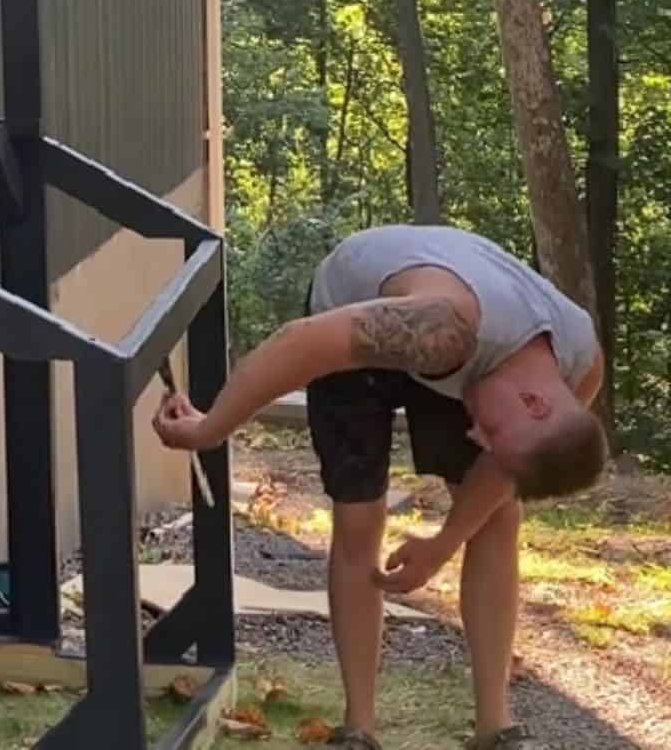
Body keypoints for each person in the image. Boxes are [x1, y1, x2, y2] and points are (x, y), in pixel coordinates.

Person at [153, 224, 606, 750]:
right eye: (493, 432)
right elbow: (297, 344)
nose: (475, 435)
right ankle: (359, 729)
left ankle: (496, 730)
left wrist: (442, 545)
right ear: (534, 403)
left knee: (498, 518)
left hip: (475, 356)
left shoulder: (578, 373)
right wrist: (208, 431)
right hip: (361, 310)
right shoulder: (441, 326)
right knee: (359, 518)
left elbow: (501, 472)